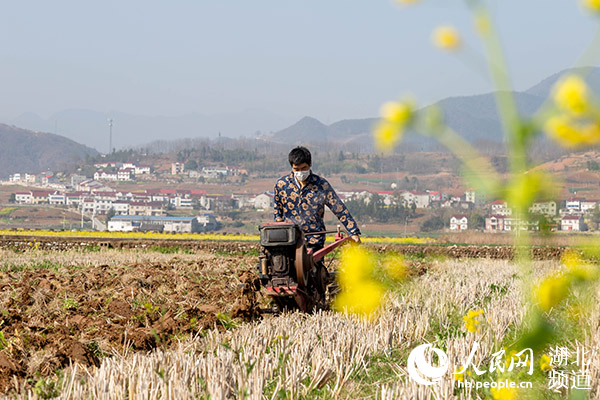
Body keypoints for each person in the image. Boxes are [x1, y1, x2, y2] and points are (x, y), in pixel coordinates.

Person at [274, 146, 361, 252]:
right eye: (296, 169)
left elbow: (339, 209)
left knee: (315, 267)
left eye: (304, 168)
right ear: (291, 167)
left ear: (310, 164)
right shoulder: (282, 185)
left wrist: (353, 232)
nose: (300, 172)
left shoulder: (321, 185)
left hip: (314, 240)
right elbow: (277, 214)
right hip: (289, 240)